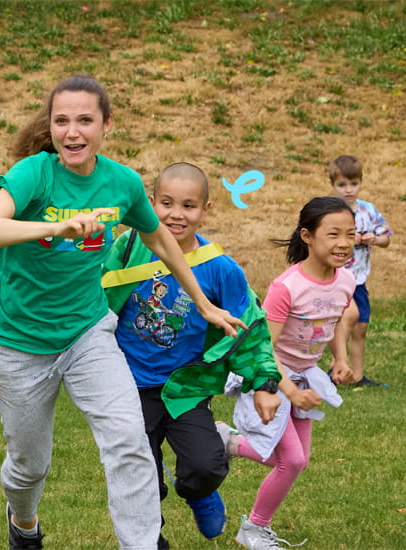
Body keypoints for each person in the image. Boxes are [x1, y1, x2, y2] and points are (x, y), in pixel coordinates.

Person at [0, 75, 244, 549]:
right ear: (50, 126)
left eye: (85, 121)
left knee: (129, 439)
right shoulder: (34, 174)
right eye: (62, 121)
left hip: (87, 332)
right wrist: (55, 228)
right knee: (29, 464)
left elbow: (159, 238)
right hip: (17, 341)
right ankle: (24, 522)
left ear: (105, 124)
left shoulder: (122, 183)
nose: (72, 132)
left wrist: (202, 302)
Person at [100, 163, 282, 545]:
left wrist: (264, 380)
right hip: (129, 386)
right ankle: (149, 539)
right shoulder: (128, 247)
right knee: (137, 474)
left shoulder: (219, 267)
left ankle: (199, 492)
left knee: (205, 464)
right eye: (166, 203)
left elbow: (249, 326)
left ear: (206, 209)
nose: (176, 214)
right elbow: (94, 300)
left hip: (187, 387)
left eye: (188, 205)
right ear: (149, 204)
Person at [226, 196, 360, 550]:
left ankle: (228, 442)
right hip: (270, 377)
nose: (344, 243)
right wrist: (289, 391)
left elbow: (338, 321)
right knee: (293, 460)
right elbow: (263, 347)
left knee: (297, 461)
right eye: (333, 234)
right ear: (308, 236)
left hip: (304, 374)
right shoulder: (286, 287)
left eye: (351, 234)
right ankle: (254, 528)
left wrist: (340, 359)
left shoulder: (345, 280)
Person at [325, 155, 391, 388]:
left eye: (353, 184)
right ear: (332, 185)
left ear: (361, 182)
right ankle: (335, 368)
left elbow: (387, 239)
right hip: (335, 279)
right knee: (342, 321)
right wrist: (352, 239)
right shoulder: (331, 212)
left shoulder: (368, 211)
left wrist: (375, 239)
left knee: (360, 327)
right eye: (342, 185)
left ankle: (358, 376)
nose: (348, 190)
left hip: (359, 280)